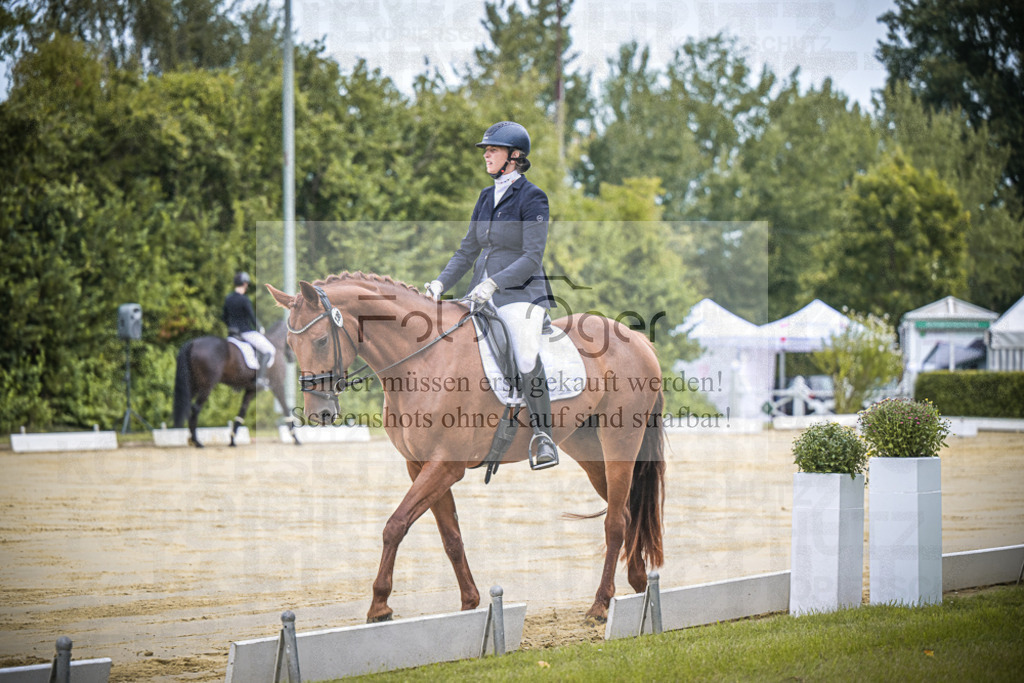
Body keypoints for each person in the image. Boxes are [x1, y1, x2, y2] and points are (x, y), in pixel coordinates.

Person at [425, 121, 558, 469]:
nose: (486, 153)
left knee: (526, 353)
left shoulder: (533, 198)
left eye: (493, 149)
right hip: (478, 295)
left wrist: (495, 282)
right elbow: (466, 250)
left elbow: (532, 257)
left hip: (521, 296)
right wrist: (440, 284)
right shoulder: (486, 196)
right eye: (486, 149)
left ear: (514, 157)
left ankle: (544, 437)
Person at [222, 271, 274, 389]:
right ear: (245, 284)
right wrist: (260, 327)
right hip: (246, 332)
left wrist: (231, 326)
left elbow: (223, 317)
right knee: (269, 350)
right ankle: (260, 379)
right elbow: (251, 316)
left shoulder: (228, 298)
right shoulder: (244, 300)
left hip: (232, 334)